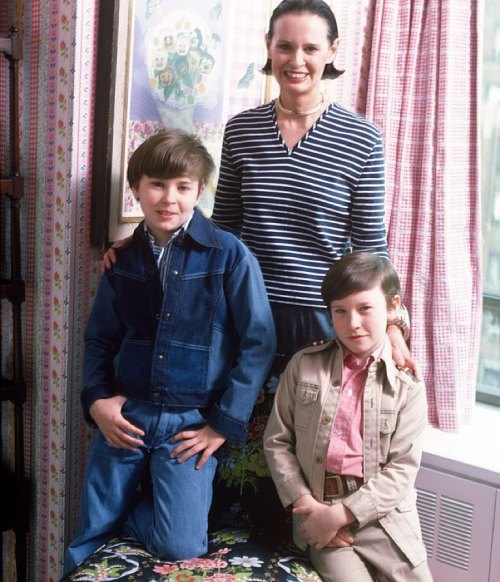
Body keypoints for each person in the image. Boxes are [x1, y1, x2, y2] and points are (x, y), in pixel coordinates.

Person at [104, 0, 415, 379]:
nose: (296, 60)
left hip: (323, 320)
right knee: (239, 433)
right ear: (269, 45)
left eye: (311, 48)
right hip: (242, 308)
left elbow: (370, 250)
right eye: (285, 46)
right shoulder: (241, 130)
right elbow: (223, 230)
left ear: (332, 50)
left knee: (307, 435)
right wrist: (144, 242)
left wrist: (394, 326)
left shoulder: (362, 138)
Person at [64, 131, 276, 574]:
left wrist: (221, 425)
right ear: (137, 188)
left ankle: (141, 508)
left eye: (183, 186)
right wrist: (96, 400)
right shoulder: (123, 261)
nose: (169, 198)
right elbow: (99, 339)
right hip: (126, 415)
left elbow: (259, 342)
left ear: (200, 191)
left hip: (190, 425)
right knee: (90, 533)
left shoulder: (230, 256)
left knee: (181, 543)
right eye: (157, 184)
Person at [263, 252, 433, 582]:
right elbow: (277, 442)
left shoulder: (406, 384)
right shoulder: (304, 365)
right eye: (340, 311)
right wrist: (310, 509)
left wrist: (344, 513)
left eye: (365, 309)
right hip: (319, 508)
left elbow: (402, 470)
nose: (352, 323)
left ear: (392, 306)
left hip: (385, 518)